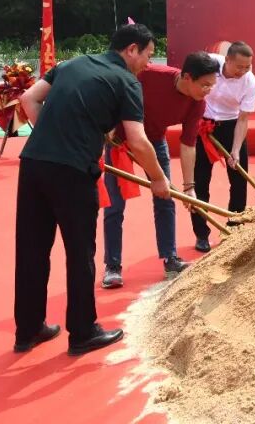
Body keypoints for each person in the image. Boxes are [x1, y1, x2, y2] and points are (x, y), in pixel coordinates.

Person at [14, 24, 167, 357]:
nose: (148, 64)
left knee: (31, 249)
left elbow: (28, 98)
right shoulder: (127, 81)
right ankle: (83, 332)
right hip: (73, 172)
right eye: (148, 55)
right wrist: (158, 178)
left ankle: (28, 329)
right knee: (80, 252)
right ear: (132, 50)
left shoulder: (72, 64)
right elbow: (138, 140)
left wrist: (55, 138)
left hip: (34, 163)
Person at [100, 51, 220, 288]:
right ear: (187, 77)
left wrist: (189, 188)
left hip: (154, 142)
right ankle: (112, 265)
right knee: (115, 204)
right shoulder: (150, 74)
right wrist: (109, 123)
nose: (208, 90)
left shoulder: (197, 103)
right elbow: (114, 89)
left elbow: (188, 144)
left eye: (212, 85)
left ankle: (170, 258)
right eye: (205, 85)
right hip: (120, 140)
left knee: (165, 198)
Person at [190, 41, 255, 253]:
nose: (243, 71)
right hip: (203, 125)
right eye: (239, 67)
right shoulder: (209, 64)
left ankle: (234, 227)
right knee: (200, 180)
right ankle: (201, 234)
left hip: (231, 126)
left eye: (247, 66)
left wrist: (236, 149)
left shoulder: (250, 82)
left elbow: (243, 119)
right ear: (227, 60)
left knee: (239, 178)